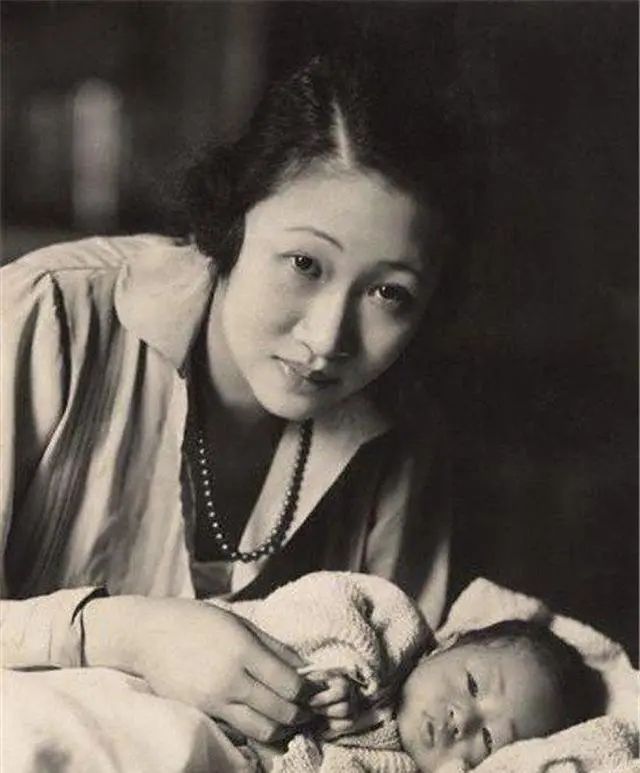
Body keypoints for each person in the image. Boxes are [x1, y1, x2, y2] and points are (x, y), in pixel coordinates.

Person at [1, 53, 478, 743]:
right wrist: (126, 633)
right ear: (231, 220)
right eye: (305, 264)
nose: (326, 338)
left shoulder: (402, 435)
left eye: (388, 293)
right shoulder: (46, 316)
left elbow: (403, 714)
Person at [209, 571, 603, 772]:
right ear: (448, 645)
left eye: (488, 738)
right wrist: (337, 667)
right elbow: (319, 598)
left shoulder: (398, 766)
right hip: (210, 672)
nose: (463, 719)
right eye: (472, 685)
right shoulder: (396, 629)